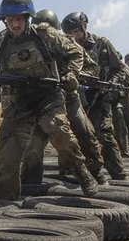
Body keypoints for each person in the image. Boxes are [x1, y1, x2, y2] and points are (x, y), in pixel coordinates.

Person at [0, 0, 98, 200]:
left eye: (19, 19)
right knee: (6, 158)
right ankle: (5, 204)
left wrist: (71, 74)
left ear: (28, 18)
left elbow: (75, 52)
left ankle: (81, 172)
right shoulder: (0, 43)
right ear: (5, 21)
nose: (15, 24)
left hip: (47, 98)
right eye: (10, 20)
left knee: (62, 135)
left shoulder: (46, 35)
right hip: (18, 103)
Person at [21, 9, 106, 185]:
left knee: (84, 133)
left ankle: (95, 173)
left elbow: (92, 68)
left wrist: (73, 75)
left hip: (69, 98)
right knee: (33, 143)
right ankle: (31, 183)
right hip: (42, 100)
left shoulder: (65, 42)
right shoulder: (27, 45)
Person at [61, 11, 128, 180]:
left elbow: (120, 68)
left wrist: (112, 83)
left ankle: (119, 175)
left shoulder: (102, 44)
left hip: (100, 96)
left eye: (76, 32)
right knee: (75, 135)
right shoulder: (65, 47)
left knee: (103, 133)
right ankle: (74, 172)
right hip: (77, 97)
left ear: (84, 28)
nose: (73, 36)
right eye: (69, 34)